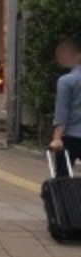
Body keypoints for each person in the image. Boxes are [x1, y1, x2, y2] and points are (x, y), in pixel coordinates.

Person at [50, 37, 81, 169]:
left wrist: (57, 138)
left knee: (63, 177)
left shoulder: (66, 81)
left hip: (72, 136)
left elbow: (62, 112)